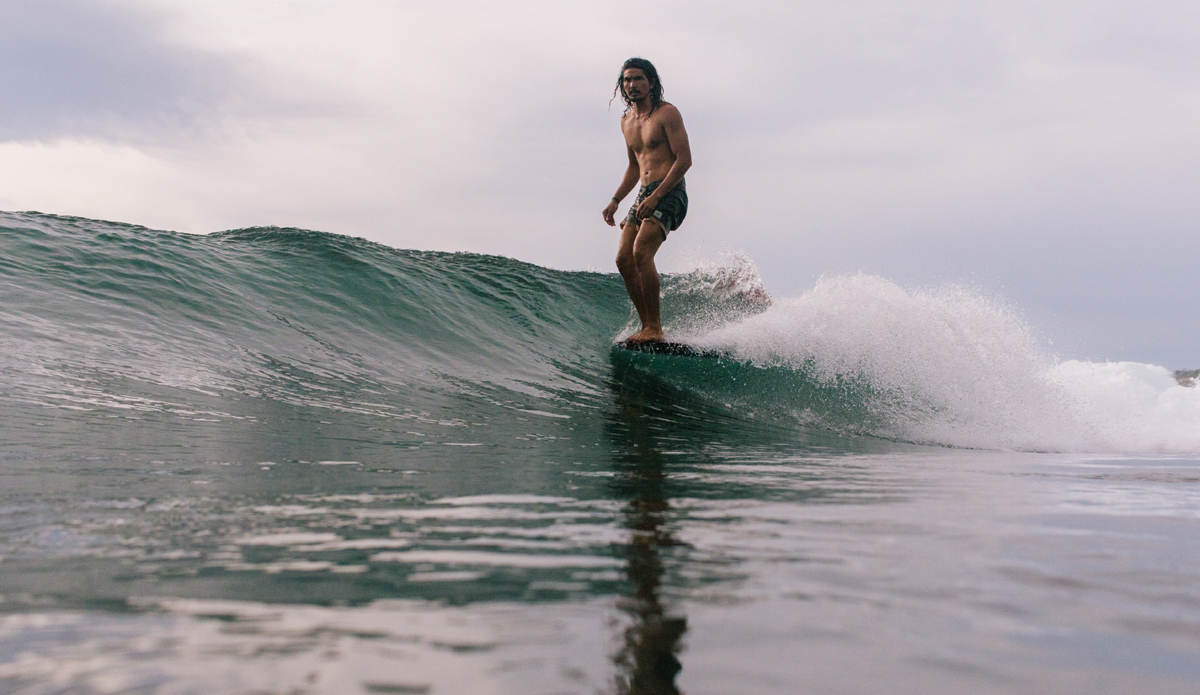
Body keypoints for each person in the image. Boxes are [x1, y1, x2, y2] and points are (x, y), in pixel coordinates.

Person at [602, 57, 692, 344]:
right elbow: (633, 167)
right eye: (627, 80)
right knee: (623, 259)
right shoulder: (626, 122)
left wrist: (656, 196)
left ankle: (655, 327)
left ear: (651, 82)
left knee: (642, 251)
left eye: (638, 79)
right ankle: (647, 326)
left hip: (669, 190)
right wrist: (616, 199)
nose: (632, 85)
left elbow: (684, 160)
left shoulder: (667, 114)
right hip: (644, 193)